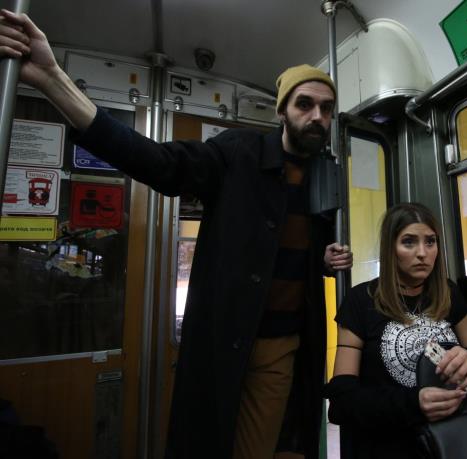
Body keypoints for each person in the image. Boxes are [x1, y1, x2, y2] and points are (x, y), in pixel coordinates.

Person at [0, 10, 353, 459]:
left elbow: (297, 250)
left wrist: (324, 261)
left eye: (326, 108)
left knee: (259, 449)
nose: (317, 116)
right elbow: (160, 164)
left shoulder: (326, 177)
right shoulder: (237, 154)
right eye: (305, 104)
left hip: (282, 346)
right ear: (282, 110)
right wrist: (53, 80)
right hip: (222, 336)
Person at [325, 202, 467, 458]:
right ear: (390, 249)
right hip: (390, 446)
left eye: (430, 242)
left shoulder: (448, 293)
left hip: (456, 441)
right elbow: (341, 402)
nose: (422, 253)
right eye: (409, 242)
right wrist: (413, 403)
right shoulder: (361, 300)